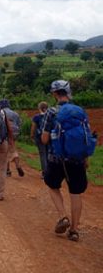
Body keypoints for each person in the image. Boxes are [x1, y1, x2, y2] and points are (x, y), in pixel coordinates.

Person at [41, 80, 94, 242]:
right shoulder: (80, 111)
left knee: (52, 186)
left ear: (55, 94)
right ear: (68, 93)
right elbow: (86, 136)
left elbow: (44, 139)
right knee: (76, 193)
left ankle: (63, 216)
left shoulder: (51, 112)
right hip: (77, 159)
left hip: (56, 158)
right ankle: (74, 230)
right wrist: (85, 158)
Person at [0, 99, 24, 178]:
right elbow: (20, 123)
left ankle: (7, 171)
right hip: (14, 133)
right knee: (12, 149)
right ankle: (17, 165)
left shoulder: (0, 113)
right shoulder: (15, 113)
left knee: (4, 151)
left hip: (5, 133)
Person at [30, 101, 49, 179]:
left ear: (40, 108)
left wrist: (31, 135)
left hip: (40, 137)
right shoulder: (50, 116)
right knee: (48, 154)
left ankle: (45, 173)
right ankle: (50, 172)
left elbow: (33, 127)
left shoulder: (36, 117)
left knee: (42, 154)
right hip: (49, 137)